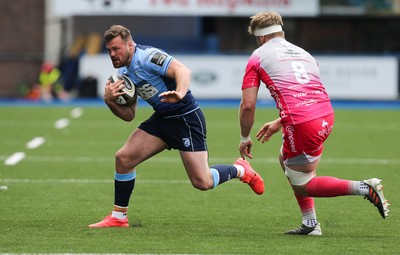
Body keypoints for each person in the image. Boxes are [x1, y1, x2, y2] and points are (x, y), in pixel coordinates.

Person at [88, 25, 264, 228]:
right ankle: (119, 218)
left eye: (116, 49)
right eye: (109, 50)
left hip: (185, 117)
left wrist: (179, 92)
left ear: (129, 45)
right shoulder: (123, 72)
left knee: (203, 182)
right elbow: (129, 115)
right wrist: (109, 100)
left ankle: (240, 170)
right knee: (124, 158)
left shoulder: (148, 56)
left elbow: (182, 70)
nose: (112, 54)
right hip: (163, 118)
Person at [238, 11, 390, 236]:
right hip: (325, 117)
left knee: (302, 184)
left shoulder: (258, 56)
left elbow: (248, 106)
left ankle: (364, 188)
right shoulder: (304, 54)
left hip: (302, 124)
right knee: (286, 159)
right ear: (281, 31)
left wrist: (244, 138)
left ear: (259, 37)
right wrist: (282, 121)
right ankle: (310, 224)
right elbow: (308, 93)